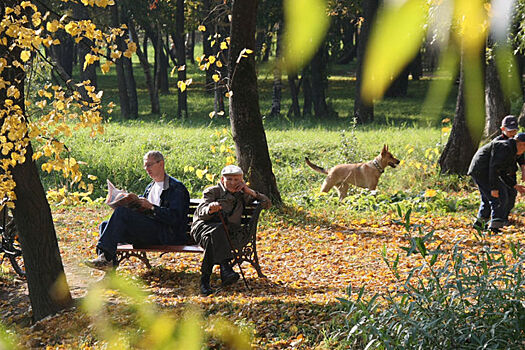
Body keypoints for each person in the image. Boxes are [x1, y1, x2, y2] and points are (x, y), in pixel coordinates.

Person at [86, 151, 190, 270]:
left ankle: (105, 259)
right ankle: (107, 265)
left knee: (121, 213)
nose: (147, 169)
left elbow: (175, 218)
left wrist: (152, 207)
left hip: (166, 234)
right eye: (145, 166)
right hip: (148, 231)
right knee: (104, 225)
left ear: (161, 164)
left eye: (149, 165)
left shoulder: (176, 188)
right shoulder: (150, 187)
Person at [191, 165, 271, 296]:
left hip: (223, 233)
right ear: (222, 179)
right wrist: (210, 208)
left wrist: (249, 191)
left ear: (242, 181)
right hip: (203, 228)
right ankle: (225, 268)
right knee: (216, 231)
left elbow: (267, 204)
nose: (233, 183)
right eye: (229, 179)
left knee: (213, 238)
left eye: (236, 179)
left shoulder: (243, 195)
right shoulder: (213, 192)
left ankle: (205, 281)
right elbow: (201, 213)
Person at [468, 133, 525, 232]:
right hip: (481, 171)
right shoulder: (505, 147)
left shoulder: (511, 149)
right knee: (498, 197)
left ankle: (479, 225)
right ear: (521, 144)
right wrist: (494, 188)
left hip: (483, 171)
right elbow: (493, 168)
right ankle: (495, 227)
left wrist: (515, 185)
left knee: (487, 199)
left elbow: (502, 172)